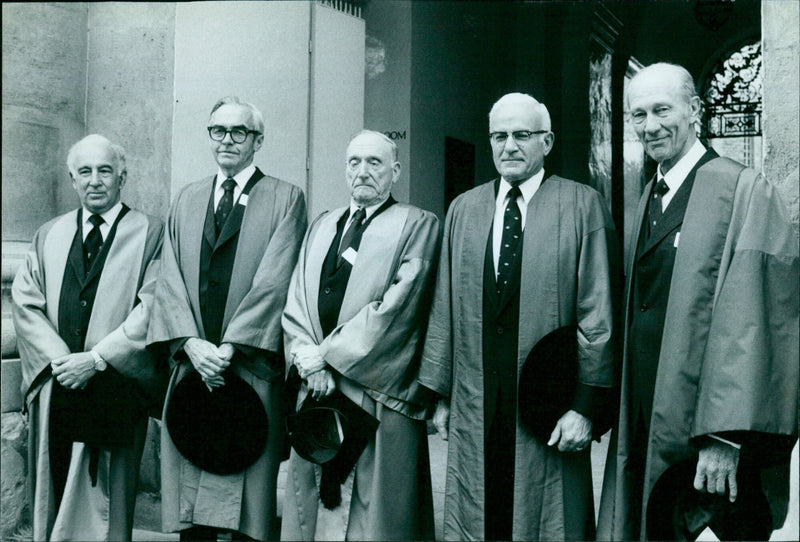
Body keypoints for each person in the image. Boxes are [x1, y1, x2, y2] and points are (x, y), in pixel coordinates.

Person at [597, 62, 799, 541]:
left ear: (695, 111)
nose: (650, 126)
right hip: (650, 410)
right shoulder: (651, 193)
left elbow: (757, 320)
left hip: (707, 428)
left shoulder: (744, 189)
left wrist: (726, 436)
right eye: (638, 114)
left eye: (662, 110)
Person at [418, 93, 619, 540]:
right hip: (477, 393)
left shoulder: (580, 204)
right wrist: (443, 394)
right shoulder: (463, 209)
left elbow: (598, 310)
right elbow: (444, 306)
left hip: (549, 398)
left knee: (547, 515)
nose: (508, 146)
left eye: (521, 135)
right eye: (499, 135)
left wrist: (584, 407)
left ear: (546, 142)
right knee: (477, 512)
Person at [147, 96, 307, 540]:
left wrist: (231, 346)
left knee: (248, 497)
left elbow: (277, 279)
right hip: (193, 362)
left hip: (248, 365)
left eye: (240, 132)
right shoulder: (188, 197)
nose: (228, 141)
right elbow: (168, 277)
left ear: (258, 140)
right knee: (191, 485)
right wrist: (191, 344)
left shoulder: (285, 197)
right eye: (219, 130)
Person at [281, 130, 438, 540]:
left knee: (373, 511)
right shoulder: (322, 223)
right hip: (315, 388)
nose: (363, 172)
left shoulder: (418, 223)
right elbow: (295, 296)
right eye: (355, 162)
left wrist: (328, 357)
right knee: (311, 501)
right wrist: (305, 357)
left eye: (375, 162)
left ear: (395, 171)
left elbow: (401, 306)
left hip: (373, 392)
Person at [12, 134, 165, 541]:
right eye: (85, 172)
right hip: (60, 378)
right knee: (58, 483)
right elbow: (25, 303)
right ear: (72, 179)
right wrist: (63, 361)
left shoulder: (150, 233)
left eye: (105, 171)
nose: (95, 180)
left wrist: (96, 359)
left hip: (116, 379)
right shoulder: (49, 234)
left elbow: (152, 306)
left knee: (108, 499)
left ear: (122, 177)